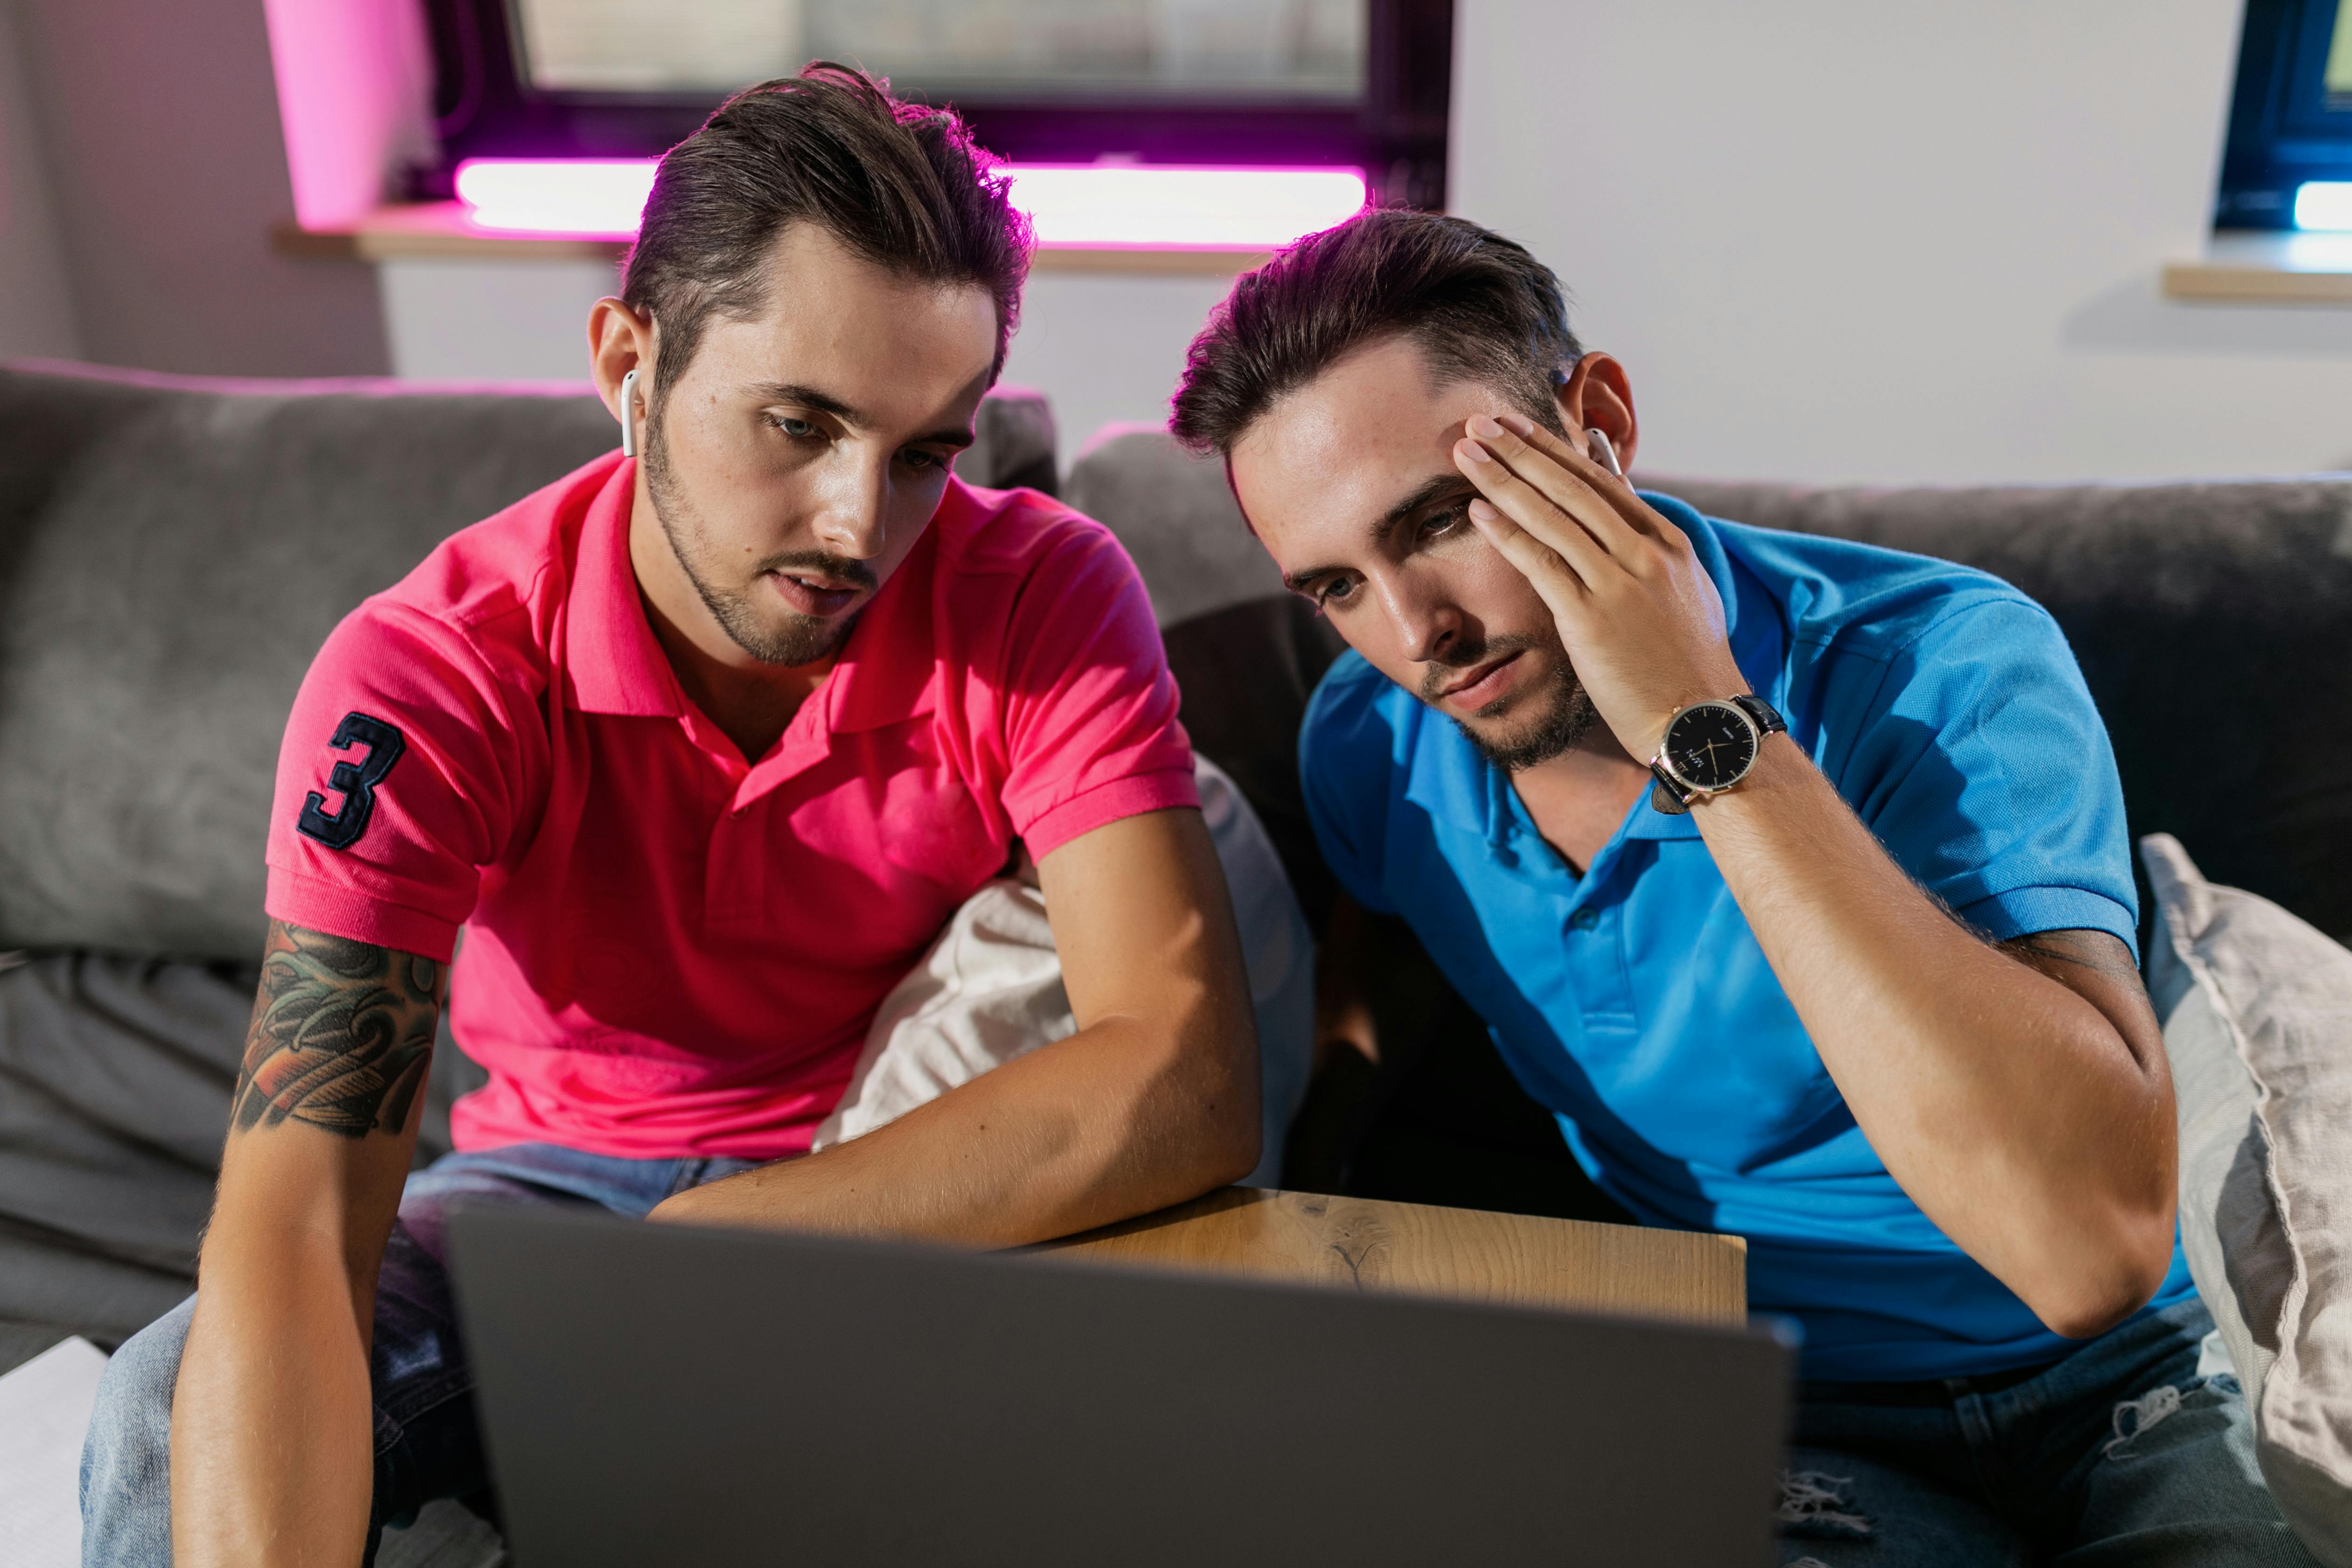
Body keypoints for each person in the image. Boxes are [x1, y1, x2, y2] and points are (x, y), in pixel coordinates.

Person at [82, 67, 1262, 1567]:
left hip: (917, 1165)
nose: (858, 528)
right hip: (547, 1199)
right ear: (630, 363)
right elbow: (298, 1216)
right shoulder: (430, 674)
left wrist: (714, 1260)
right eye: (798, 424)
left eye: (922, 454)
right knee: (159, 1407)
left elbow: (1183, 1069)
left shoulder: (1040, 591)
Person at [1168, 209, 2317, 1564]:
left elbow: (2087, 1256)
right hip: (1788, 1413)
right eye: (1337, 588)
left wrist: (1705, 727)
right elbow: (1386, 989)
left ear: (1597, 420)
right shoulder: (1377, 751)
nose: (1420, 637)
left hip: (2147, 1378)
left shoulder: (1939, 669)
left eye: (1443, 518)